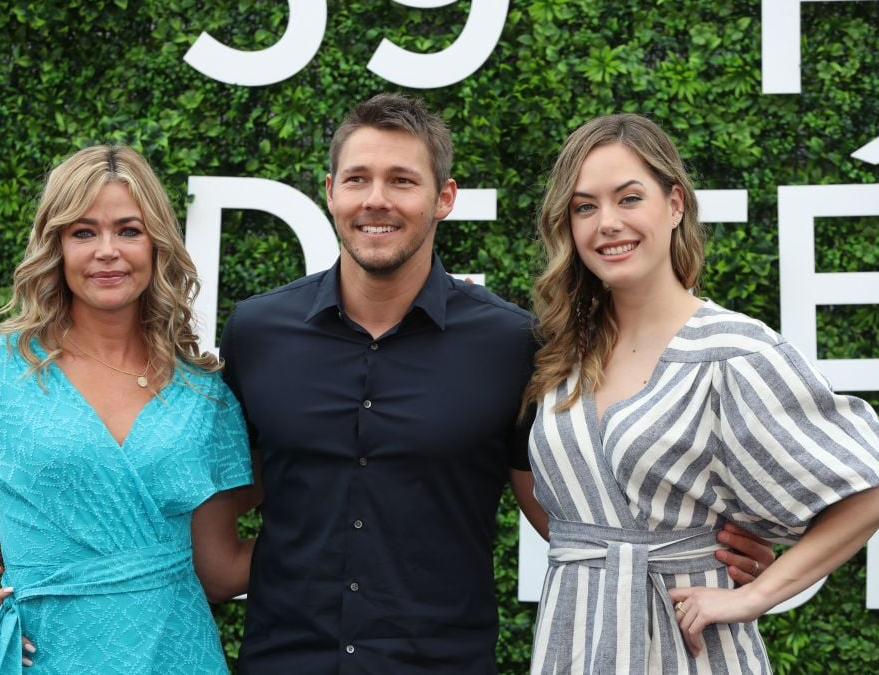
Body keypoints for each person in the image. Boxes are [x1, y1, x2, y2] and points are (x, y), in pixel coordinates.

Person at [220, 94, 775, 673]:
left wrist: (705, 550)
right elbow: (220, 491)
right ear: (331, 191)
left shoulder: (512, 346)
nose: (376, 199)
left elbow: (570, 511)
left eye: (402, 180)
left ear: (445, 198)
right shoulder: (256, 333)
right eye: (358, 179)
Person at [0, 145, 253, 674]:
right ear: (56, 246)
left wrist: (345, 538)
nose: (107, 251)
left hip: (179, 653)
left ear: (158, 243)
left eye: (129, 230)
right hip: (47, 656)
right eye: (83, 232)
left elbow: (219, 570)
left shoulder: (202, 394)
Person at [523, 112, 879, 674]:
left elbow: (869, 487)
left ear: (674, 205)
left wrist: (754, 596)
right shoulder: (562, 351)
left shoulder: (733, 349)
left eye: (629, 198)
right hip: (574, 642)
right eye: (584, 207)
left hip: (689, 648)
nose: (607, 223)